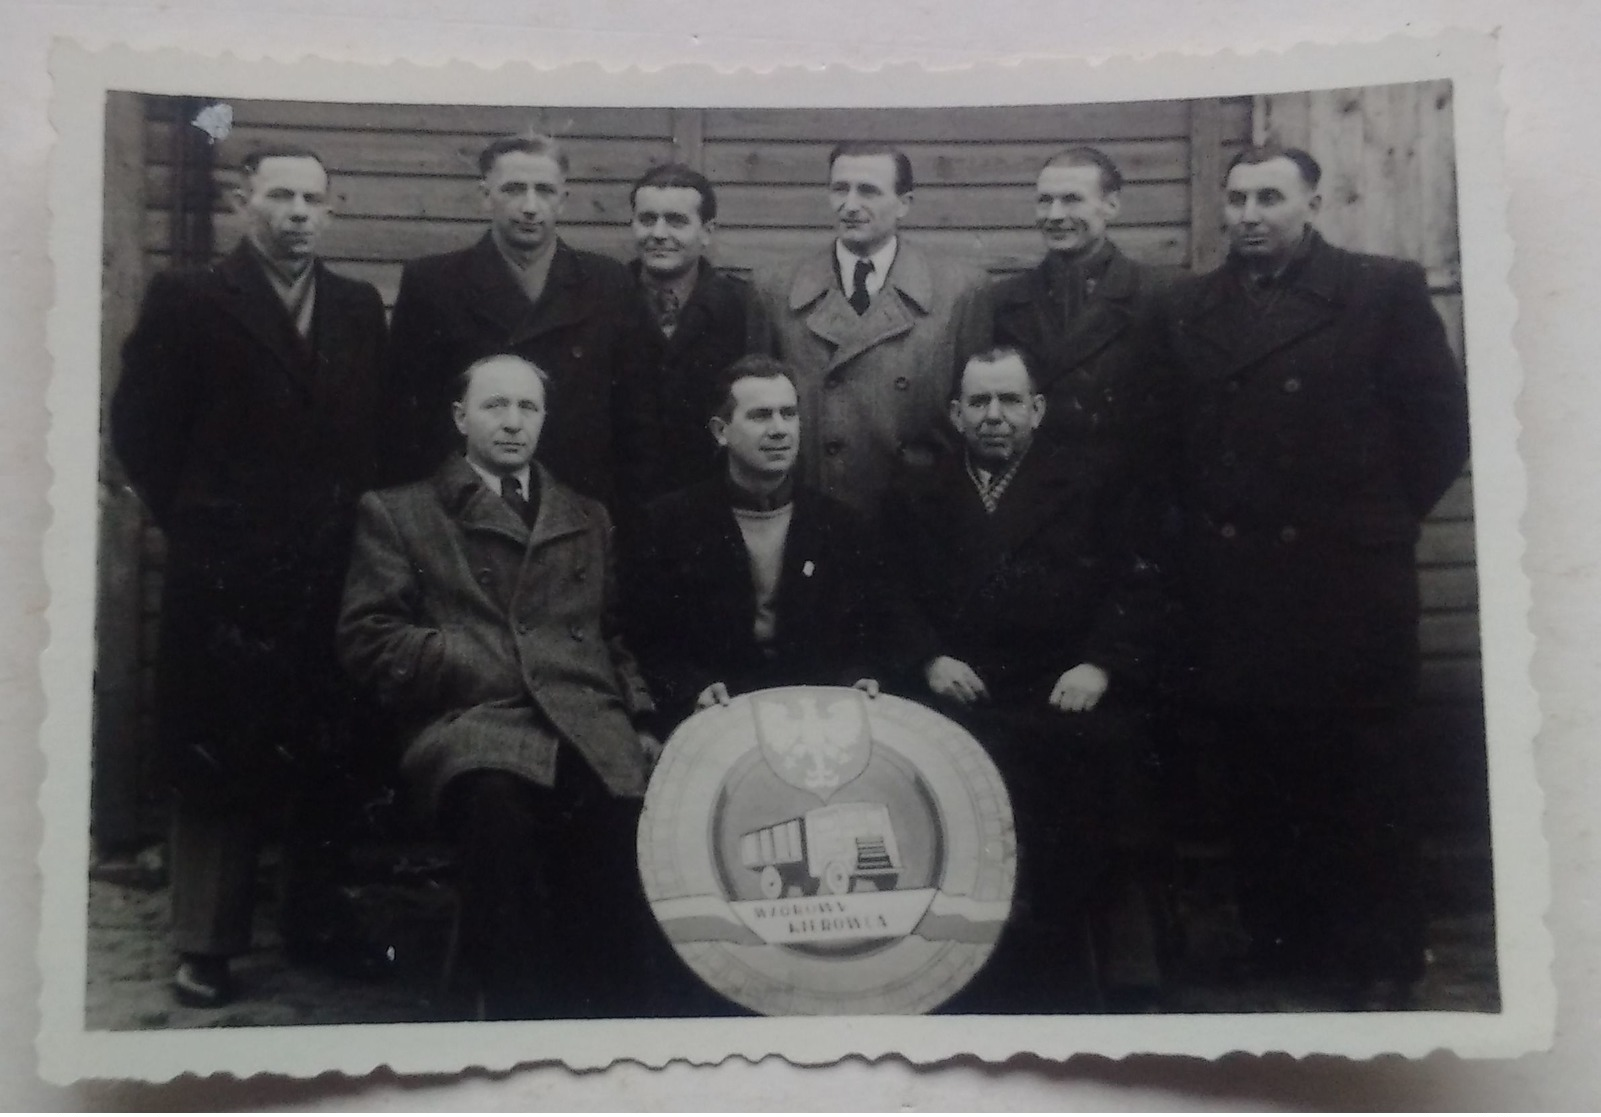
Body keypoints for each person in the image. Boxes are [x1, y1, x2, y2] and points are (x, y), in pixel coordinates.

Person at [1156, 144, 1472, 1006]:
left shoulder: (1380, 290)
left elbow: (1438, 426)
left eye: (1269, 197)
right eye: (1237, 198)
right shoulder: (1190, 306)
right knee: (1260, 777)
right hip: (1236, 588)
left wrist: (1369, 523)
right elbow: (1169, 445)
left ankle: (1378, 961)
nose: (1249, 213)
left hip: (1345, 587)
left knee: (1362, 780)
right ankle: (1283, 949)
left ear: (1312, 203)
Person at [111, 147, 391, 1008]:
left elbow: (371, 432)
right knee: (216, 754)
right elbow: (140, 432)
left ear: (332, 209)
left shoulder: (353, 307)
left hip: (331, 566)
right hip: (226, 574)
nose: (297, 213)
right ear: (244, 202)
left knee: (322, 746)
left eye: (313, 198)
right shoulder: (192, 299)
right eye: (280, 196)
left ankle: (312, 919)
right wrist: (202, 521)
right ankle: (206, 942)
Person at [337, 353, 664, 1020]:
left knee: (617, 816)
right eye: (494, 406)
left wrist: (642, 717)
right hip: (472, 721)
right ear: (460, 417)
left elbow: (611, 634)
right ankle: (518, 1013)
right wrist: (465, 658)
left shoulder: (585, 516)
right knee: (497, 808)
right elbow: (367, 635)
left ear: (544, 420)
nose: (512, 422)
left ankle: (610, 1019)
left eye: (527, 408)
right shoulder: (402, 513)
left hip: (583, 718)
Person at [881, 345, 1167, 1013]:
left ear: (1036, 410)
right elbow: (888, 591)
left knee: (1102, 768)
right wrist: (928, 659)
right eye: (978, 401)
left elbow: (1138, 582)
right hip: (962, 684)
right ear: (955, 413)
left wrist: (1099, 663)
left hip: (1060, 682)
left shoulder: (1089, 483)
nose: (993, 415)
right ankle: (961, 968)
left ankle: (1098, 967)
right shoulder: (918, 491)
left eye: (1009, 400)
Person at [625, 355, 924, 727]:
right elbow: (647, 640)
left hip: (817, 715)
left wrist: (860, 676)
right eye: (760, 416)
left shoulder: (841, 525)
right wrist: (691, 688)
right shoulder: (668, 524)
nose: (780, 429)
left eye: (789, 414)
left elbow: (873, 630)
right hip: (717, 717)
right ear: (721, 432)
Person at [384, 133, 657, 508]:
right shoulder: (433, 284)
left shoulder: (608, 283)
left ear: (563, 200)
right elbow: (406, 420)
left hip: (580, 506)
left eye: (544, 190)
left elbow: (636, 418)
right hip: (466, 508)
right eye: (513, 189)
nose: (530, 206)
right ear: (485, 196)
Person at [751, 141, 993, 518]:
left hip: (917, 514)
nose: (849, 205)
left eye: (868, 191)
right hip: (811, 512)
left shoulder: (959, 290)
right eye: (839, 189)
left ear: (904, 203)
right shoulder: (776, 287)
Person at [991, 146, 1176, 486]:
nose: (1054, 215)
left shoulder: (1160, 295)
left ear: (1112, 205)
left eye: (1071, 199)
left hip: (1128, 497)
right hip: (1036, 496)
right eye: (1044, 201)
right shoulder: (1003, 301)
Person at [628, 162, 765, 499]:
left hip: (713, 501)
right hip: (620, 502)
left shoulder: (742, 307)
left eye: (676, 221)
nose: (659, 233)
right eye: (647, 220)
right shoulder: (604, 297)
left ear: (706, 231)